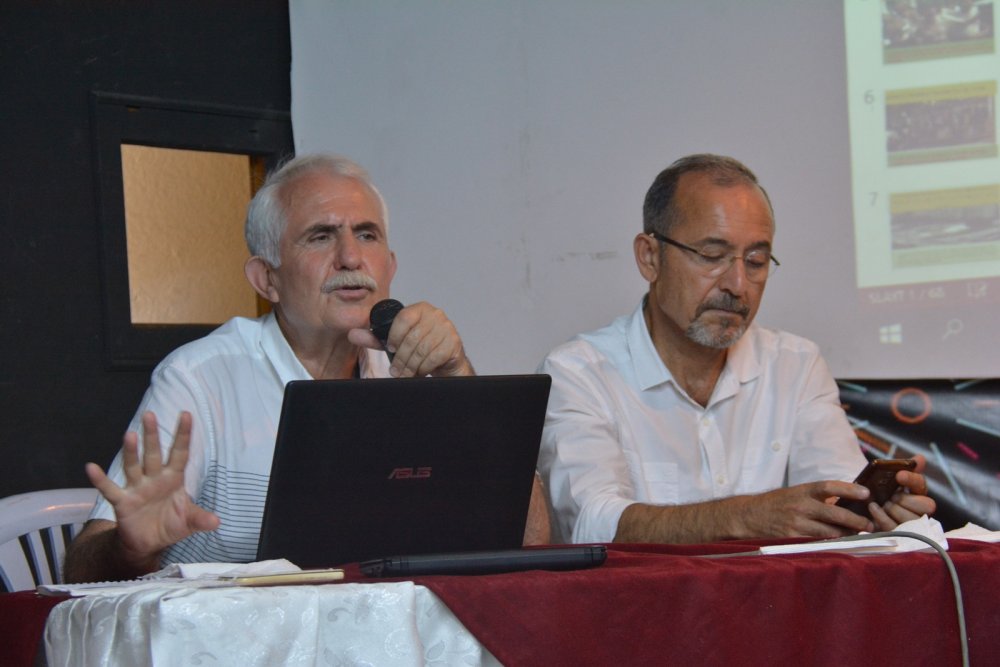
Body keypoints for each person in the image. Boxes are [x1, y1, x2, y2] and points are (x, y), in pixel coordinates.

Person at [64, 154, 550, 582]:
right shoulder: (200, 377)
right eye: (321, 236)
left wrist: (458, 379)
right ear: (266, 279)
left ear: (390, 266)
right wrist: (130, 547)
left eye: (366, 234)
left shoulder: (415, 365)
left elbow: (530, 541)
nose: (350, 257)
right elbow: (81, 571)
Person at [537, 153, 935, 545]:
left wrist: (872, 511)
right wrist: (746, 517)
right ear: (650, 257)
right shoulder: (578, 373)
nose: (738, 285)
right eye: (712, 256)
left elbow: (837, 494)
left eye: (757, 261)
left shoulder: (795, 364)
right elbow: (590, 522)